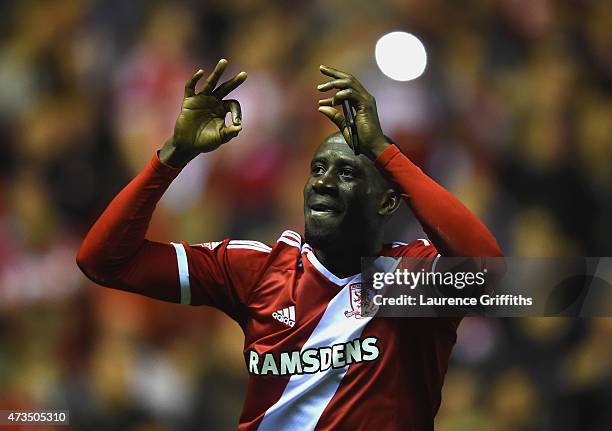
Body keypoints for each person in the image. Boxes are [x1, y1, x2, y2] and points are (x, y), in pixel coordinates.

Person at [77, 59, 503, 430]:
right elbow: (103, 261)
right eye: (317, 169)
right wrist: (172, 155)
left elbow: (490, 268)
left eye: (348, 173)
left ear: (389, 199)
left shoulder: (412, 281)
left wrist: (382, 152)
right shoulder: (257, 268)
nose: (322, 181)